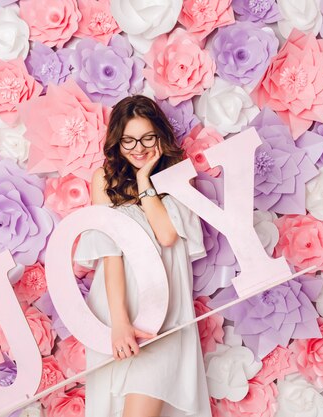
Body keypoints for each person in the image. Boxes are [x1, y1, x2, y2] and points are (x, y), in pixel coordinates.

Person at [73, 95, 212, 417]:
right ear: (117, 142)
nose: (138, 148)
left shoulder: (178, 176)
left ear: (160, 135)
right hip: (119, 309)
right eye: (128, 140)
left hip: (165, 316)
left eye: (147, 137)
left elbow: (166, 235)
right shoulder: (104, 179)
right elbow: (111, 255)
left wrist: (143, 181)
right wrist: (119, 322)